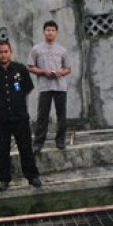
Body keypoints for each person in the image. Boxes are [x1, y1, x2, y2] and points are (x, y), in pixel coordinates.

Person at [0, 40, 42, 191]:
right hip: (0, 118)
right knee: (2, 150)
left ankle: (32, 176)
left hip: (20, 116)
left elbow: (27, 88)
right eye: (0, 52)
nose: (3, 54)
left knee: (26, 148)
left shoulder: (20, 69)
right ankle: (4, 179)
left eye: (6, 51)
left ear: (10, 52)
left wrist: (17, 100)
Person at [28, 20, 71, 152]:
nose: (50, 33)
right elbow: (30, 67)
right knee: (42, 116)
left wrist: (59, 72)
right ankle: (38, 143)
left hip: (60, 87)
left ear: (56, 33)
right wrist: (43, 72)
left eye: (53, 30)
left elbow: (68, 69)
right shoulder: (36, 49)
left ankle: (60, 141)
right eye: (48, 30)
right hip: (44, 87)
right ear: (44, 32)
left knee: (61, 115)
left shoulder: (62, 50)